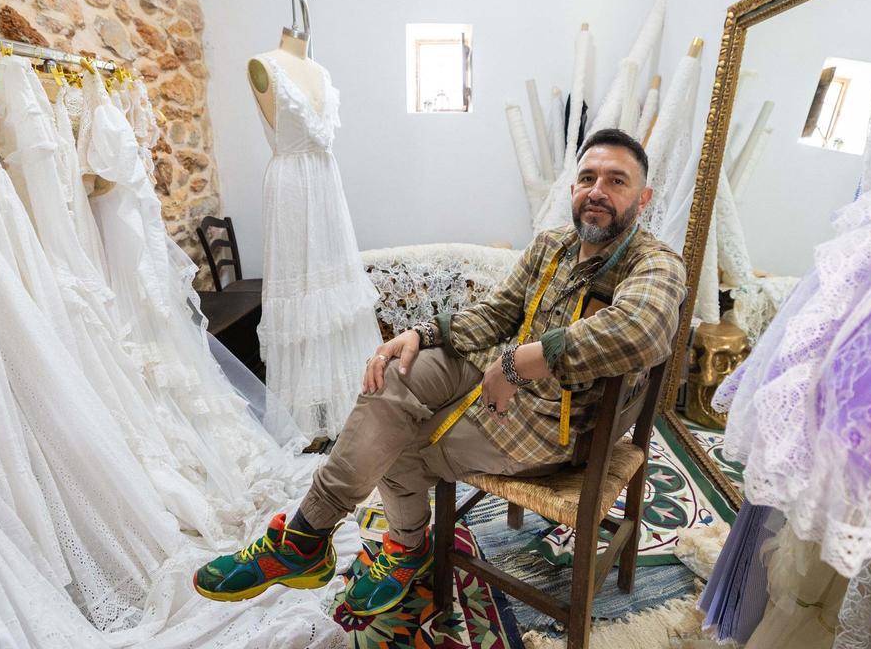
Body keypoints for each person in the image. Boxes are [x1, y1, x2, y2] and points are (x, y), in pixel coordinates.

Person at [192, 128, 687, 616]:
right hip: (496, 372)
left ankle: (406, 548)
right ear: (574, 188)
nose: (598, 191)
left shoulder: (656, 264)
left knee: (398, 441)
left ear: (642, 199)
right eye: (588, 178)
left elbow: (640, 331)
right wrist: (422, 333)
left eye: (616, 181)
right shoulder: (552, 244)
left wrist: (518, 363)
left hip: (557, 424)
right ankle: (306, 535)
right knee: (393, 378)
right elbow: (498, 313)